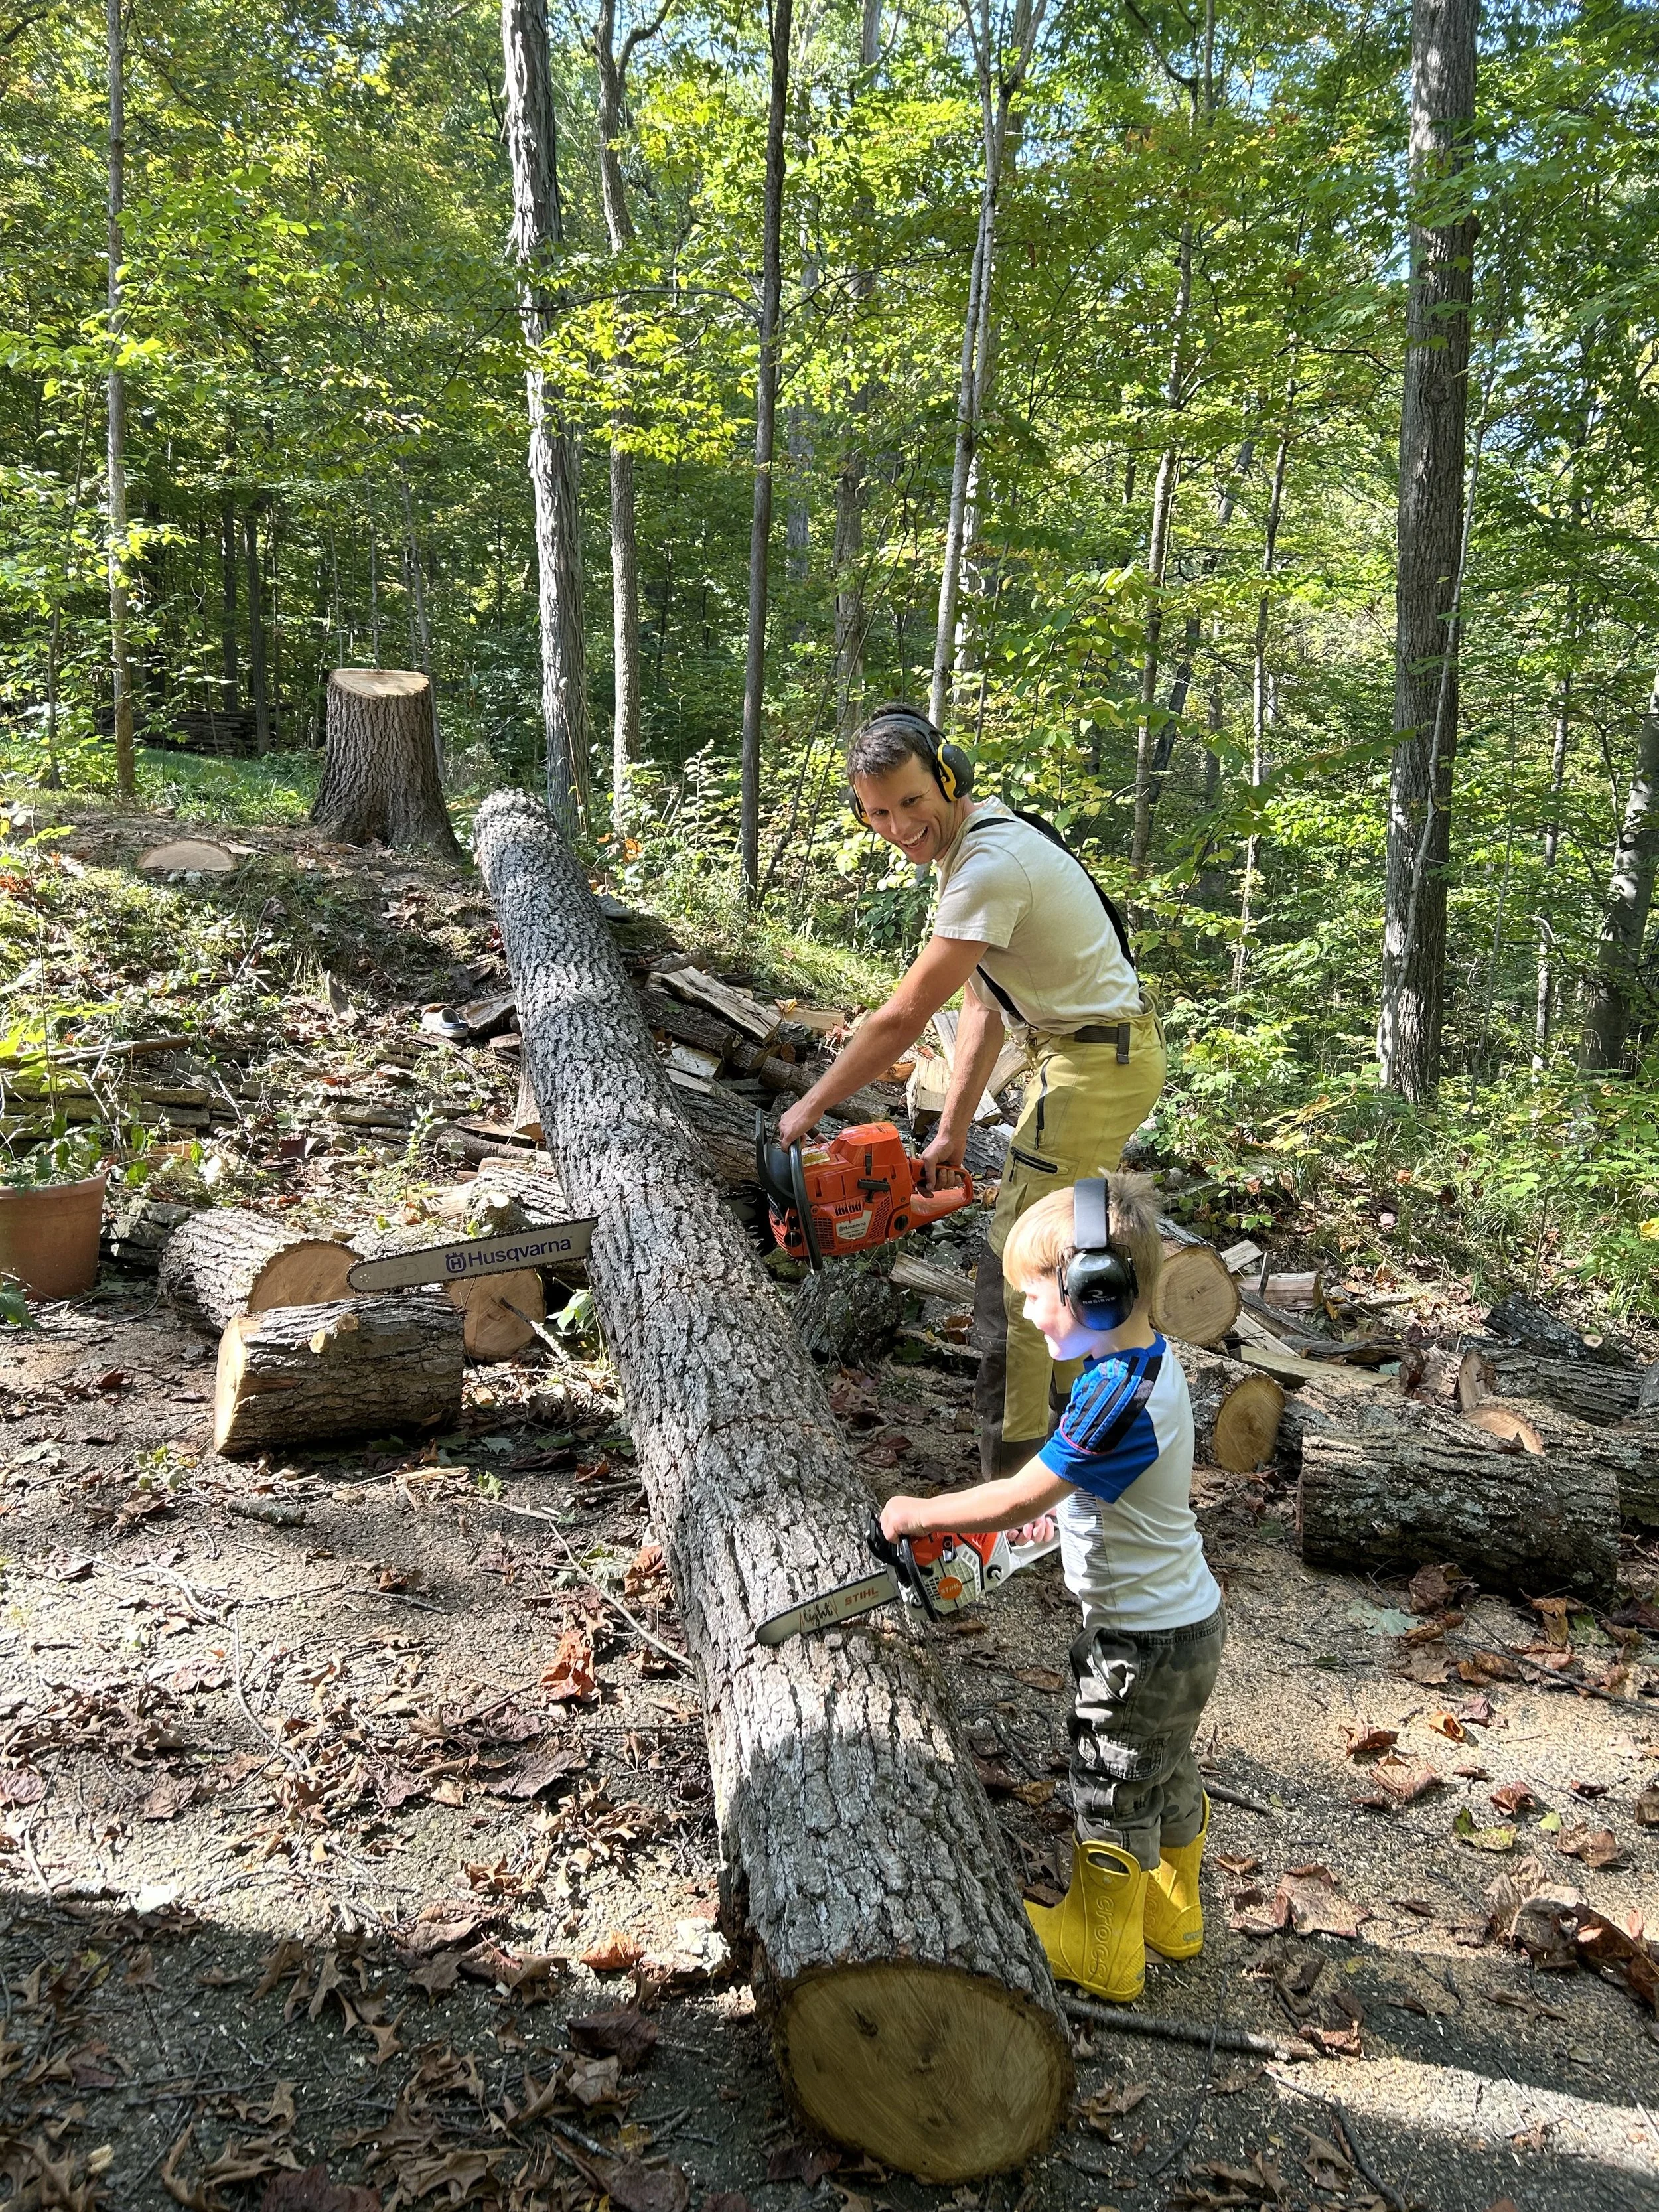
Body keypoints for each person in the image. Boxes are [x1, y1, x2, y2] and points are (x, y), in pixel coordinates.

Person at [777, 703, 1166, 1478]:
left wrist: (811, 1105)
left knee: (1022, 1264)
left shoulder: (988, 866)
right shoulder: (975, 848)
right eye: (879, 812)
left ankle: (1018, 1474)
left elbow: (898, 1020)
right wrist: (951, 1129)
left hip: (1093, 1066)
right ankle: (1093, 1427)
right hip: (1092, 1058)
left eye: (912, 802)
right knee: (1079, 1250)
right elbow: (983, 1004)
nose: (897, 825)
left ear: (949, 778)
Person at [877, 1173, 1224, 2005]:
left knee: (1109, 1779)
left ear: (1098, 1294)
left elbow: (1018, 1493)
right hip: (1188, 1624)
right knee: (1164, 1771)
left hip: (1136, 1645)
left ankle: (1103, 1947)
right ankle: (1173, 1916)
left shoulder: (1113, 1395)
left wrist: (919, 1511)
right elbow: (1100, 1488)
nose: (1031, 1316)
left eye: (1041, 1297)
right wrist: (1066, 1520)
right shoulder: (1144, 1363)